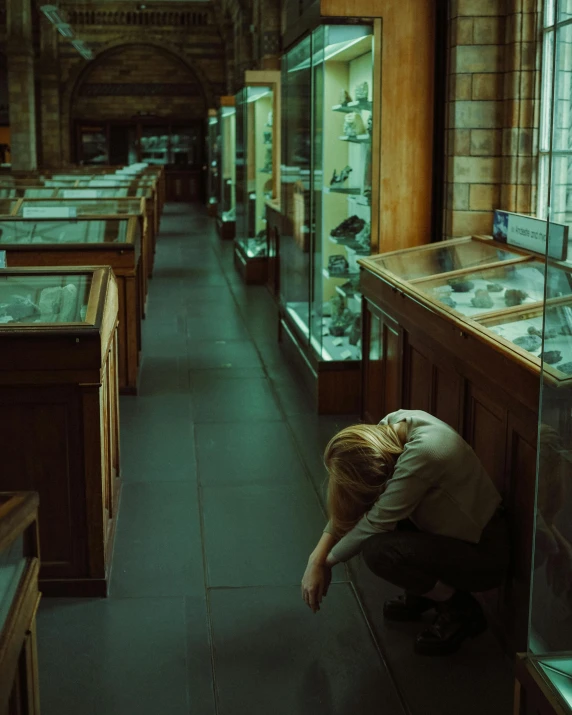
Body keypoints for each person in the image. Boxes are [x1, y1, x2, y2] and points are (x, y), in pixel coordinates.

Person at [301, 409, 510, 656]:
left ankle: (459, 608)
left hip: (484, 553)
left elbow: (376, 523)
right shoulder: (387, 430)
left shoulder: (425, 451)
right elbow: (355, 509)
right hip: (450, 533)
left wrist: (326, 563)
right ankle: (426, 593)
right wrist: (315, 558)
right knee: (383, 520)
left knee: (378, 551)